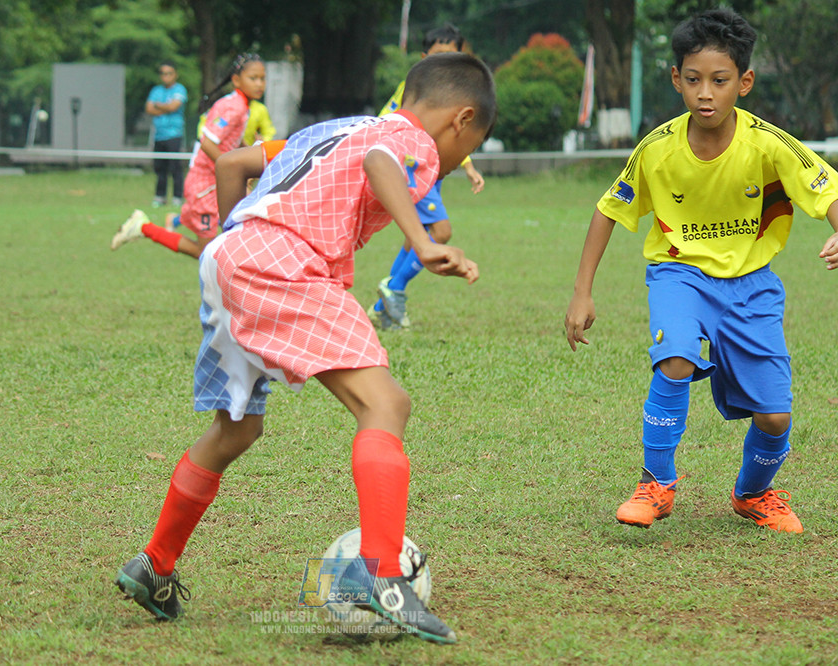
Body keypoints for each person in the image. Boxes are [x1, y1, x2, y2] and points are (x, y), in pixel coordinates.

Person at [113, 52, 496, 644]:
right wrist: (421, 242)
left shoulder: (333, 128)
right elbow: (380, 162)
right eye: (469, 146)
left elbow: (235, 163)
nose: (453, 162)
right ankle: (382, 577)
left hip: (231, 257)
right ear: (461, 119)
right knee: (385, 404)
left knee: (235, 429)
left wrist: (232, 244)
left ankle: (154, 564)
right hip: (286, 263)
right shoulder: (410, 139)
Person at [564, 8, 838, 534]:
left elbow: (827, 190)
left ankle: (753, 494)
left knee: (775, 415)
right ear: (676, 79)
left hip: (752, 286)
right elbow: (608, 209)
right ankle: (655, 484)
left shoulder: (768, 143)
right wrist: (582, 292)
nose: (705, 93)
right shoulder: (657, 148)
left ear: (744, 82)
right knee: (675, 358)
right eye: (693, 80)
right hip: (679, 273)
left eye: (719, 80)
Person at [370, 22, 486, 330]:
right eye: (438, 56)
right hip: (414, 167)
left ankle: (384, 304)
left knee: (415, 236)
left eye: (451, 56)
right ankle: (395, 288)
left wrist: (468, 167)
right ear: (424, 58)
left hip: (434, 171)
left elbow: (455, 135)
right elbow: (385, 120)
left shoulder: (458, 94)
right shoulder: (413, 87)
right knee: (441, 231)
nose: (444, 63)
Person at [110, 53, 266, 260]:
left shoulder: (242, 106)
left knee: (248, 225)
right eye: (253, 78)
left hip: (216, 182)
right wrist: (233, 169)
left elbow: (231, 140)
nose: (259, 84)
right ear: (236, 80)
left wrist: (252, 151)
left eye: (262, 78)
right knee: (206, 253)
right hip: (205, 186)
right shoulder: (234, 107)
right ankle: (144, 227)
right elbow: (208, 143)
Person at [146, 61, 188, 208]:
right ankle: (160, 197)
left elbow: (173, 106)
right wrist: (166, 108)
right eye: (163, 73)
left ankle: (177, 197)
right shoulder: (156, 90)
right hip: (159, 135)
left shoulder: (180, 89)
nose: (166, 76)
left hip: (174, 134)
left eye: (169, 73)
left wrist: (158, 106)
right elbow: (149, 109)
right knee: (160, 168)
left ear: (175, 74)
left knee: (175, 168)